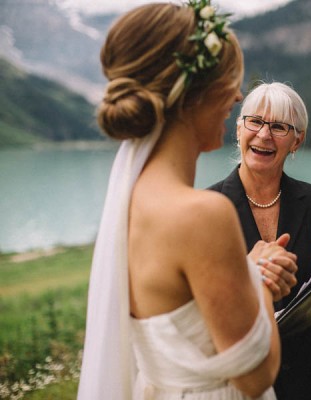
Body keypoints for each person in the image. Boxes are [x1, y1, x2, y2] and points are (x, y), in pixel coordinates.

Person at [77, 2, 299, 399]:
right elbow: (256, 376)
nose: (236, 97)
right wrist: (262, 277)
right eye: (230, 83)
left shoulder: (130, 199)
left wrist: (243, 271)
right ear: (195, 94)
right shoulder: (202, 214)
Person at [209, 82, 311, 400]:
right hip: (240, 376)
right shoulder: (209, 207)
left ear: (297, 140)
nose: (264, 135)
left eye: (278, 127)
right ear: (238, 129)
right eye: (255, 122)